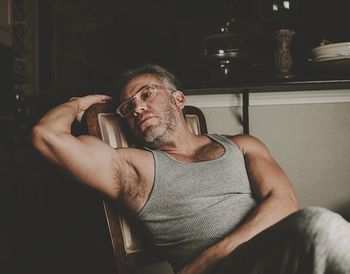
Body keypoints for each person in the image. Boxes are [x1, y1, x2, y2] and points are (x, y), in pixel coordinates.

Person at [32, 64, 350, 274]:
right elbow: (45, 136)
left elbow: (284, 204)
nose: (138, 106)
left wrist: (209, 258)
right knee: (320, 226)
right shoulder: (130, 167)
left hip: (272, 259)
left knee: (322, 229)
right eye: (128, 107)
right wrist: (78, 102)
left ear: (178, 99)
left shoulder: (242, 144)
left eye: (147, 94)